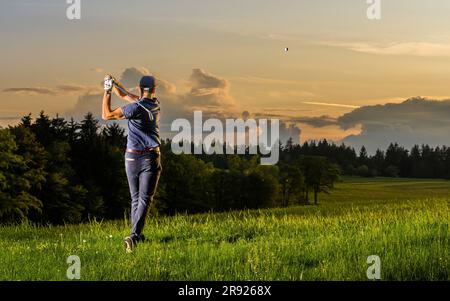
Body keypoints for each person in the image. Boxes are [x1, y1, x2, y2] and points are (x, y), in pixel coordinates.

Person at [102, 74, 162, 253]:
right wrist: (114, 84)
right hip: (149, 158)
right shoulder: (155, 104)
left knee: (136, 198)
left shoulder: (135, 108)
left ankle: (136, 234)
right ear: (154, 90)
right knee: (144, 199)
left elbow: (107, 114)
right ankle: (134, 236)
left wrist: (107, 90)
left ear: (139, 88)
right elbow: (125, 95)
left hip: (131, 158)